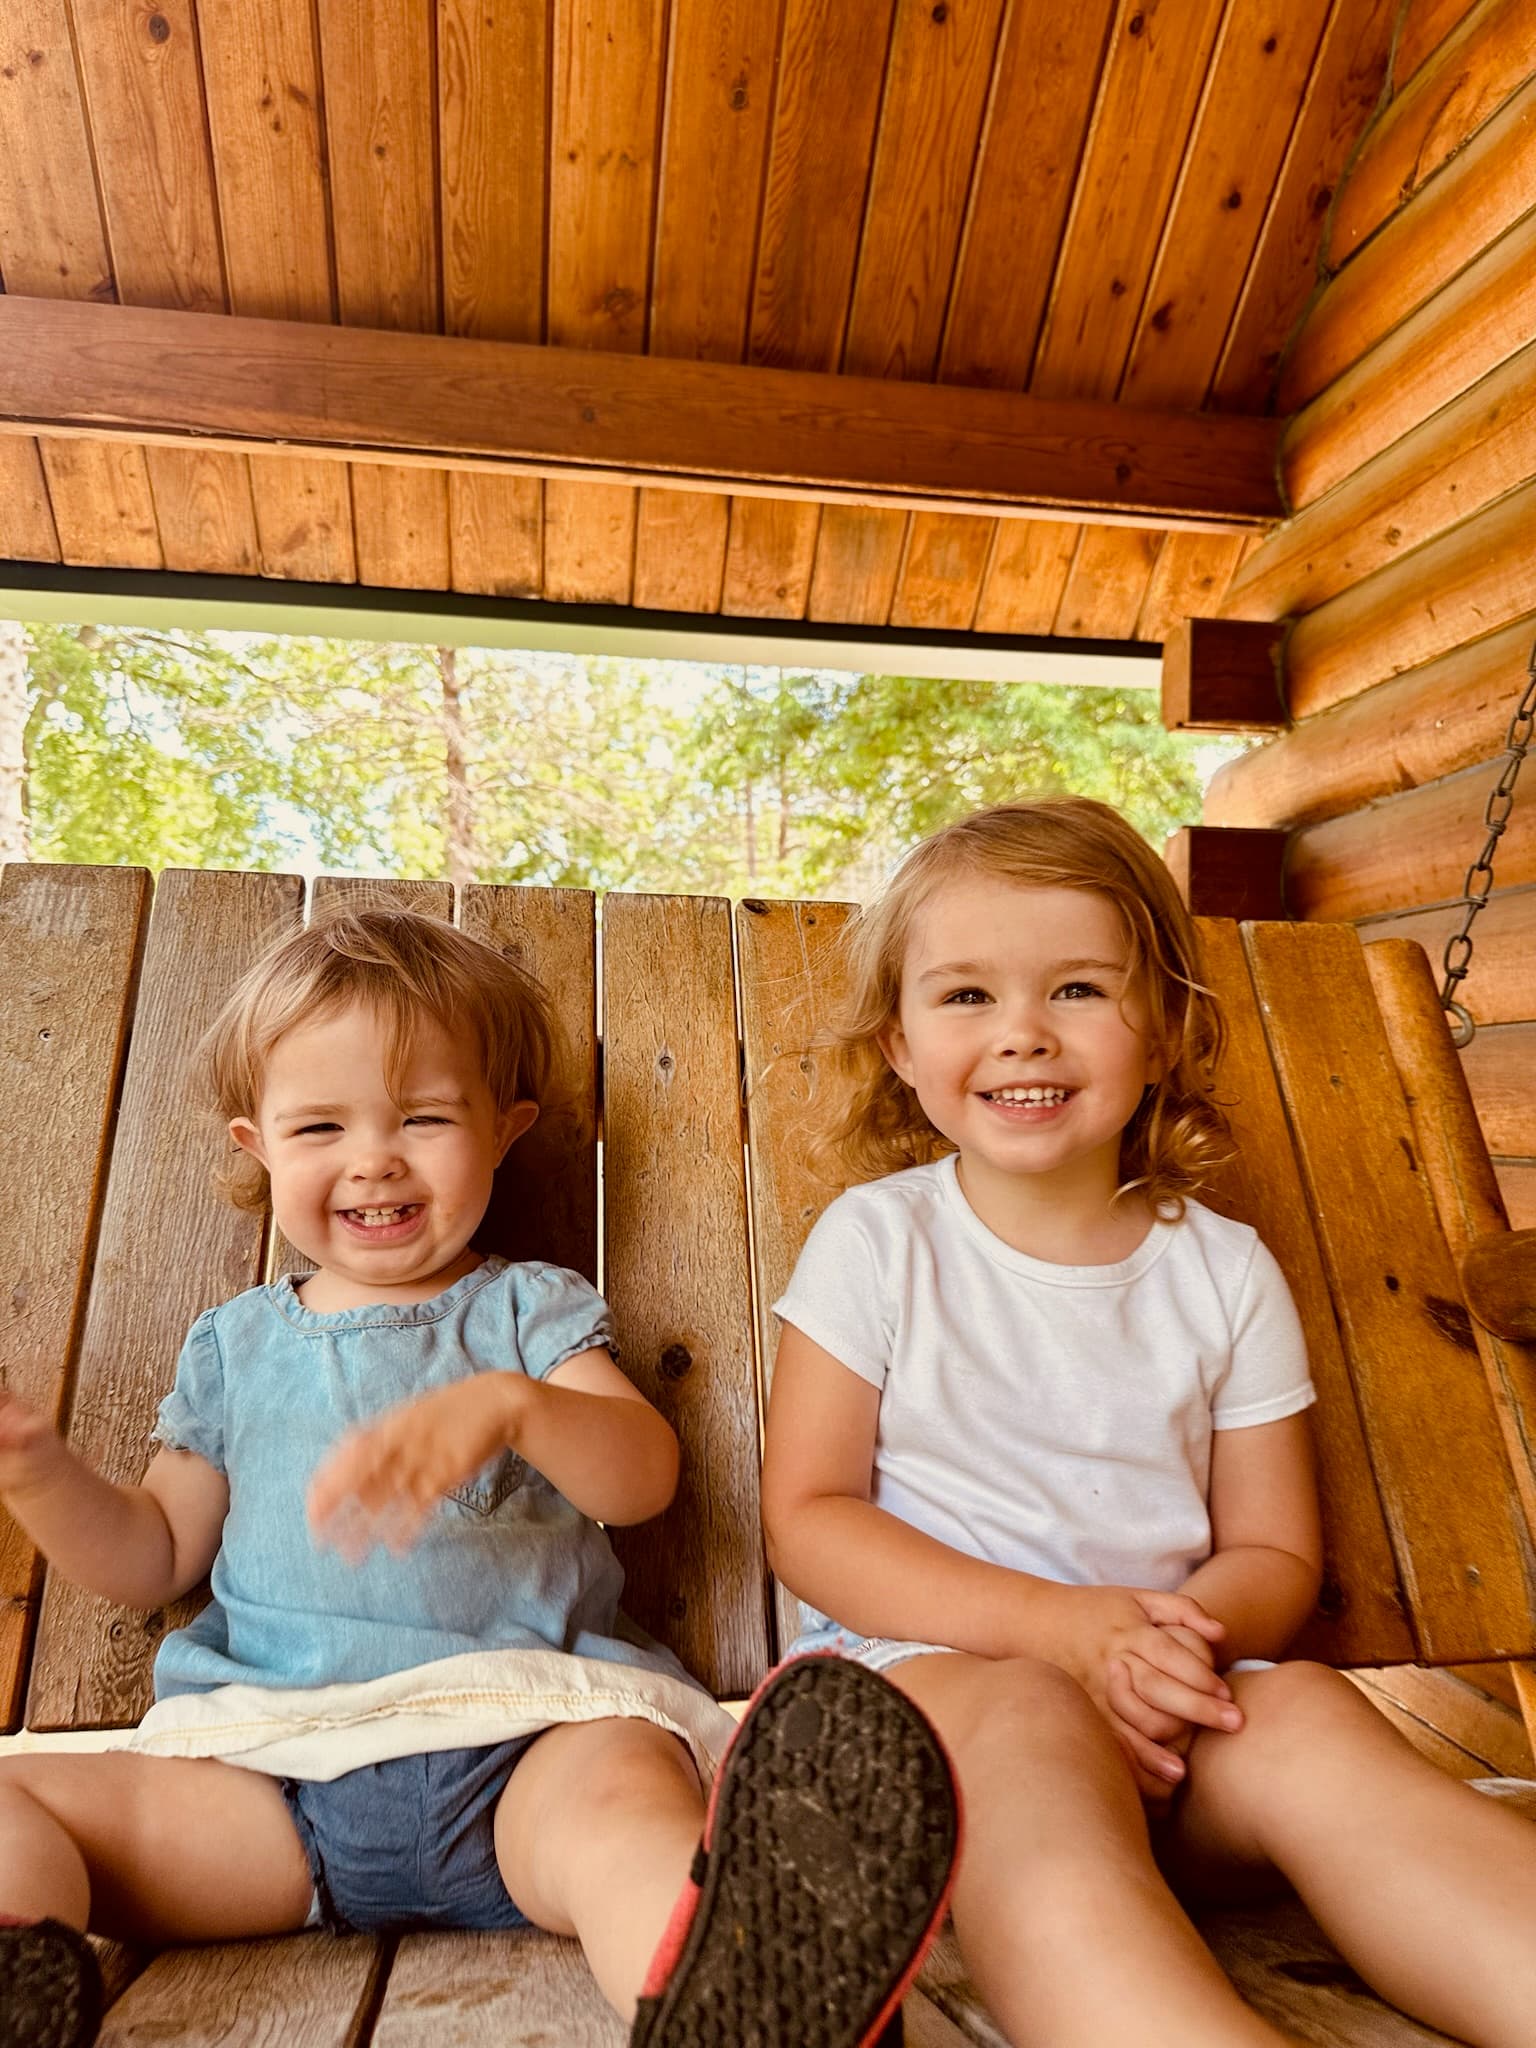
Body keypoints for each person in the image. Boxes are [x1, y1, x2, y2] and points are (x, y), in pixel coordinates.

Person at [0, 905, 957, 2048]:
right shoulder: (233, 1346)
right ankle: (15, 1954)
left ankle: (738, 1987)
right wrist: (39, 1472)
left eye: (423, 1116)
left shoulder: (524, 1311)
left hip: (528, 1746)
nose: (374, 1158)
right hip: (271, 1777)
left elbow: (641, 1477)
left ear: (503, 1132)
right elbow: (152, 1553)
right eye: (322, 1127)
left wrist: (515, 1404)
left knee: (623, 1817)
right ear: (257, 1145)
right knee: (24, 1802)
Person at [760, 798, 1536, 2048]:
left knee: (1314, 1720)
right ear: (900, 1043)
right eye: (966, 997)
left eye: (1077, 987)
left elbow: (1276, 1554)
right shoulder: (881, 1240)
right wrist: (1067, 1634)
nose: (1022, 1031)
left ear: (1163, 1025)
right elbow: (809, 1520)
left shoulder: (1221, 1270)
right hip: (932, 1701)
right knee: (1033, 1719)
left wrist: (1163, 1652)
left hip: (1179, 1707)